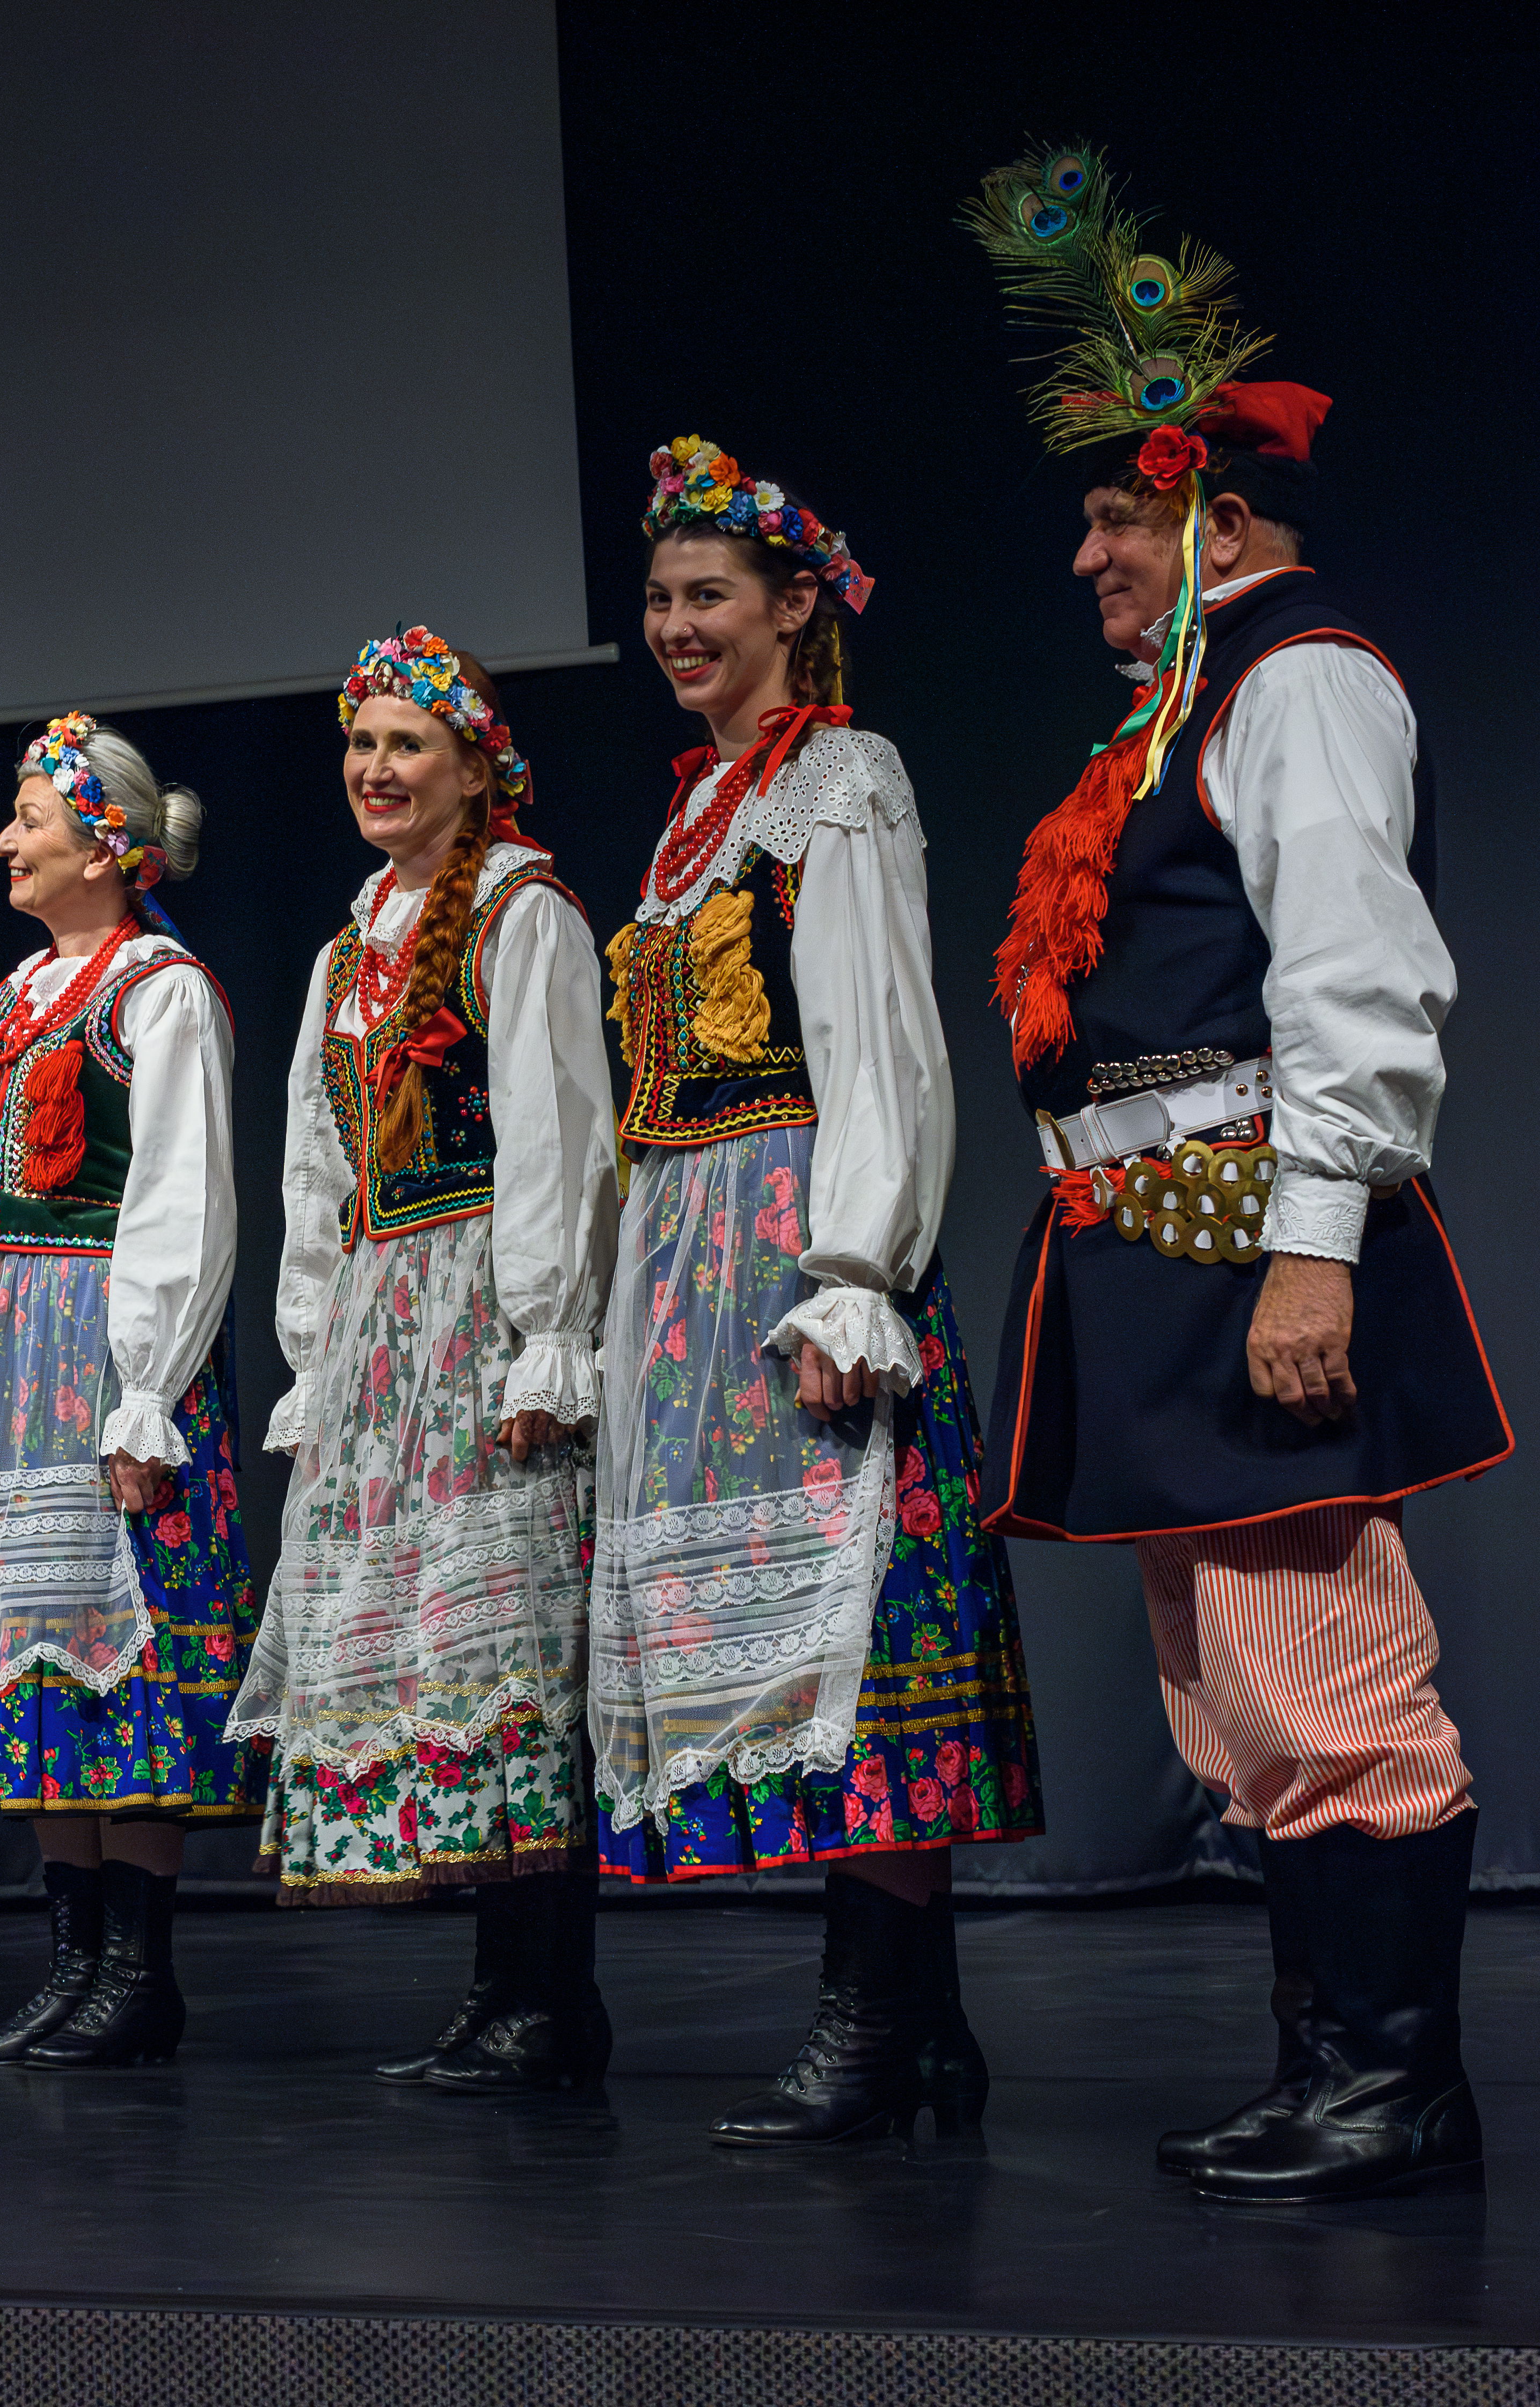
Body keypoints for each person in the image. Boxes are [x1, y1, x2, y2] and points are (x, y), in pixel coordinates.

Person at [965, 147, 1506, 2203]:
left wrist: (1311, 1254)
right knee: (1226, 1696)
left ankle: (1394, 2084)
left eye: (1112, 519)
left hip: (1240, 1227)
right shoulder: (1183, 704)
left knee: (1318, 1668)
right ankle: (1324, 2065)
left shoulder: (1298, 678)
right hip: (1150, 1245)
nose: (1084, 558)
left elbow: (1354, 980)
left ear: (1213, 513)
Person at [591, 439, 1045, 2146]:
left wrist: (852, 1272)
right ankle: (918, 2029)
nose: (674, 624)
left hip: (791, 1238)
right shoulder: (692, 815)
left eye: (706, 594)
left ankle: (877, 2018)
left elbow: (878, 1038)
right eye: (658, 598)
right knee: (788, 1637)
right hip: (688, 1253)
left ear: (792, 607)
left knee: (855, 1625)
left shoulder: (834, 778)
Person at [229, 632, 619, 2094]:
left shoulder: (520, 911)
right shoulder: (347, 949)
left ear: (474, 765)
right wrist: (314, 1348)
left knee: (509, 1644)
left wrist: (544, 1337)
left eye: (405, 743)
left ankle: (547, 1993)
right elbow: (314, 1167)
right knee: (426, 1650)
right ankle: (498, 1985)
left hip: (483, 1310)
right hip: (384, 1318)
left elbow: (558, 1134)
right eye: (360, 744)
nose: (375, 768)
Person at [0, 713, 258, 2070]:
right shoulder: (7, 1001)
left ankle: (138, 1972)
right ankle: (71, 1960)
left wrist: (142, 1389)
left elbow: (179, 1196)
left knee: (114, 1652)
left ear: (103, 845)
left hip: (95, 1346)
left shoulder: (159, 992)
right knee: (31, 1646)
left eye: (28, 819)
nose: (4, 840)